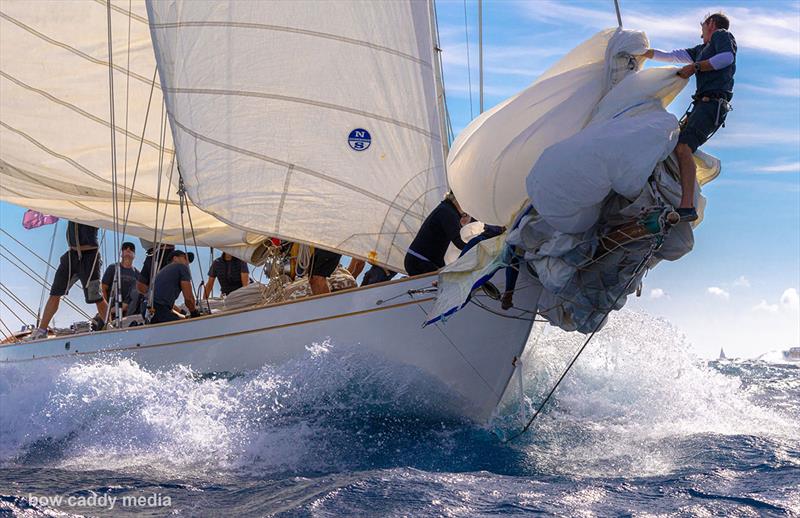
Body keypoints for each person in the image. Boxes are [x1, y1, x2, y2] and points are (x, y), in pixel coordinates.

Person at [638, 12, 736, 222]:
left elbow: (727, 58)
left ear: (710, 24)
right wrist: (642, 53)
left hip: (712, 105)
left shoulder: (721, 35)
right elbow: (672, 56)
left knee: (683, 148)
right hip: (703, 104)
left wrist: (695, 67)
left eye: (702, 29)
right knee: (677, 146)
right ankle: (675, 199)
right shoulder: (701, 50)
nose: (701, 36)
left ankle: (687, 206)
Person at [27, 221, 108, 340]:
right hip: (71, 256)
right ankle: (41, 330)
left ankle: (110, 327)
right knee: (55, 292)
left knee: (96, 296)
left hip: (90, 256)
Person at [404, 192, 469, 275]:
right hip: (420, 261)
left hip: (420, 260)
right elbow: (458, 241)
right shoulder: (447, 212)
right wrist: (478, 248)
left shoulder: (446, 209)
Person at [150, 250, 199, 324]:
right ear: (175, 258)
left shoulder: (162, 272)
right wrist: (194, 313)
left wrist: (183, 315)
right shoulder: (181, 267)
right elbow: (188, 298)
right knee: (187, 326)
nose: (187, 263)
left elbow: (167, 306)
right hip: (159, 310)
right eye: (185, 258)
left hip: (150, 309)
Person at [101, 241, 139, 318]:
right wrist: (106, 309)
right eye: (125, 248)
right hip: (111, 310)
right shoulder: (112, 268)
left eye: (131, 249)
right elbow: (103, 288)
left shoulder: (137, 274)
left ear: (134, 255)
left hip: (129, 312)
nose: (128, 249)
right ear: (121, 253)